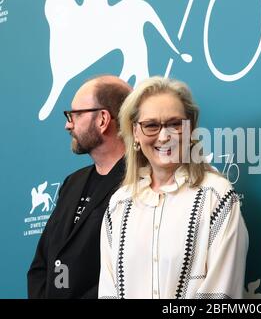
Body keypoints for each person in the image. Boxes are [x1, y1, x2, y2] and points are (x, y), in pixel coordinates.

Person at [98, 76, 249, 299]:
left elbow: (221, 294)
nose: (164, 136)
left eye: (175, 124)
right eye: (151, 126)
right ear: (135, 133)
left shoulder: (216, 196)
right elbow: (108, 292)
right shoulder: (119, 205)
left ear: (190, 129)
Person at [28, 75, 132, 298]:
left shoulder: (139, 184)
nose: (68, 124)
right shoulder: (72, 183)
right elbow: (42, 263)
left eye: (74, 115)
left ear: (102, 119)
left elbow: (128, 273)